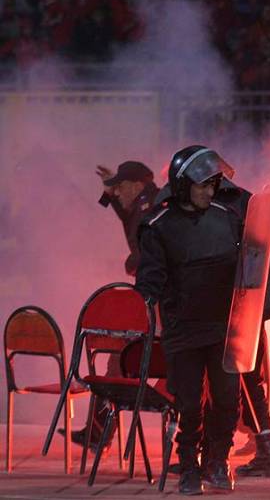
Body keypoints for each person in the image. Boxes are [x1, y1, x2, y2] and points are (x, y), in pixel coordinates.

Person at [137, 145, 270, 495]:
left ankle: (217, 463)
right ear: (183, 184)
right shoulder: (157, 226)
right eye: (203, 185)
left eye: (214, 184)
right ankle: (189, 467)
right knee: (189, 405)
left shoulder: (229, 217)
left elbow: (254, 260)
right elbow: (150, 282)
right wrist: (145, 305)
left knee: (227, 402)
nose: (210, 191)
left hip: (224, 329)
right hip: (183, 331)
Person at [59, 161, 160, 451]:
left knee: (121, 361)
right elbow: (127, 218)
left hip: (159, 304)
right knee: (116, 362)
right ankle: (98, 433)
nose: (117, 191)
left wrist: (136, 260)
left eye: (121, 185)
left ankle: (98, 433)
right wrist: (108, 193)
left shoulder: (151, 207)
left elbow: (153, 247)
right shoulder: (144, 203)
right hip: (151, 302)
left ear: (138, 185)